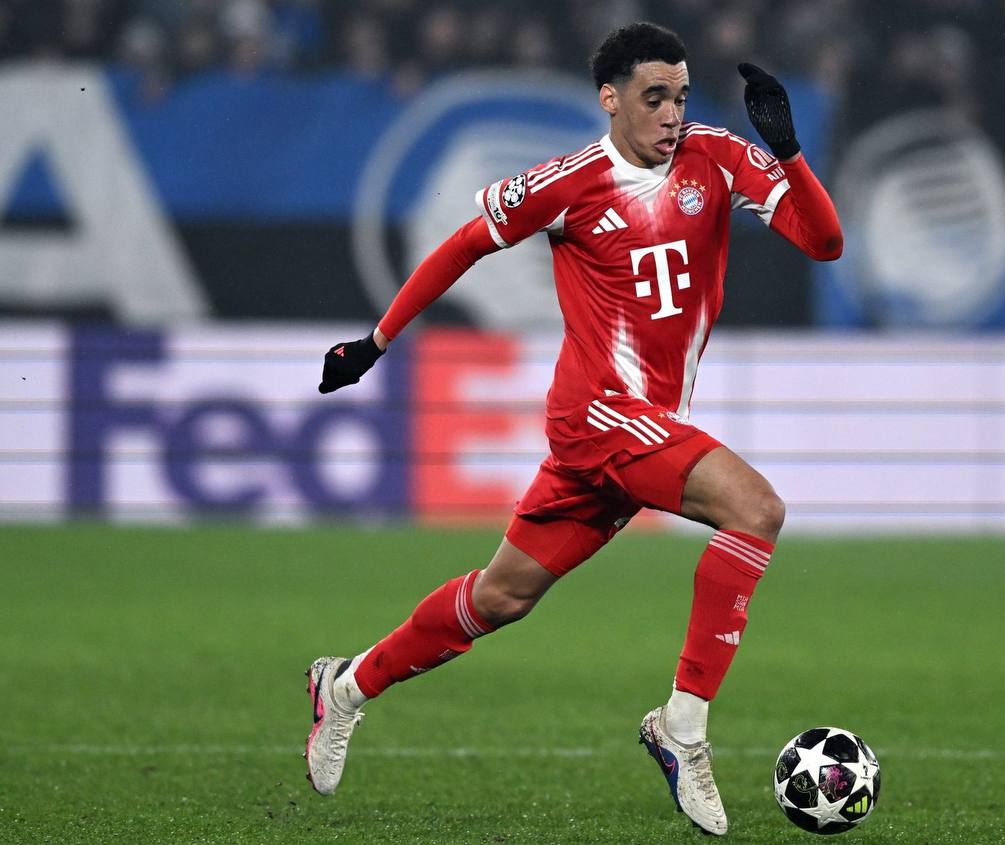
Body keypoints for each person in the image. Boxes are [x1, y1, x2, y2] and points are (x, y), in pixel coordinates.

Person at [305, 21, 842, 837]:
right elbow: (462, 246)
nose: (672, 114)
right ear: (611, 99)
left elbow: (825, 242)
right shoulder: (569, 183)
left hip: (641, 427)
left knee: (501, 597)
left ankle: (345, 685)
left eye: (681, 97)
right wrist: (376, 341)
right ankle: (681, 726)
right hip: (598, 416)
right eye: (655, 97)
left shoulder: (718, 157)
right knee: (756, 509)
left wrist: (791, 153)